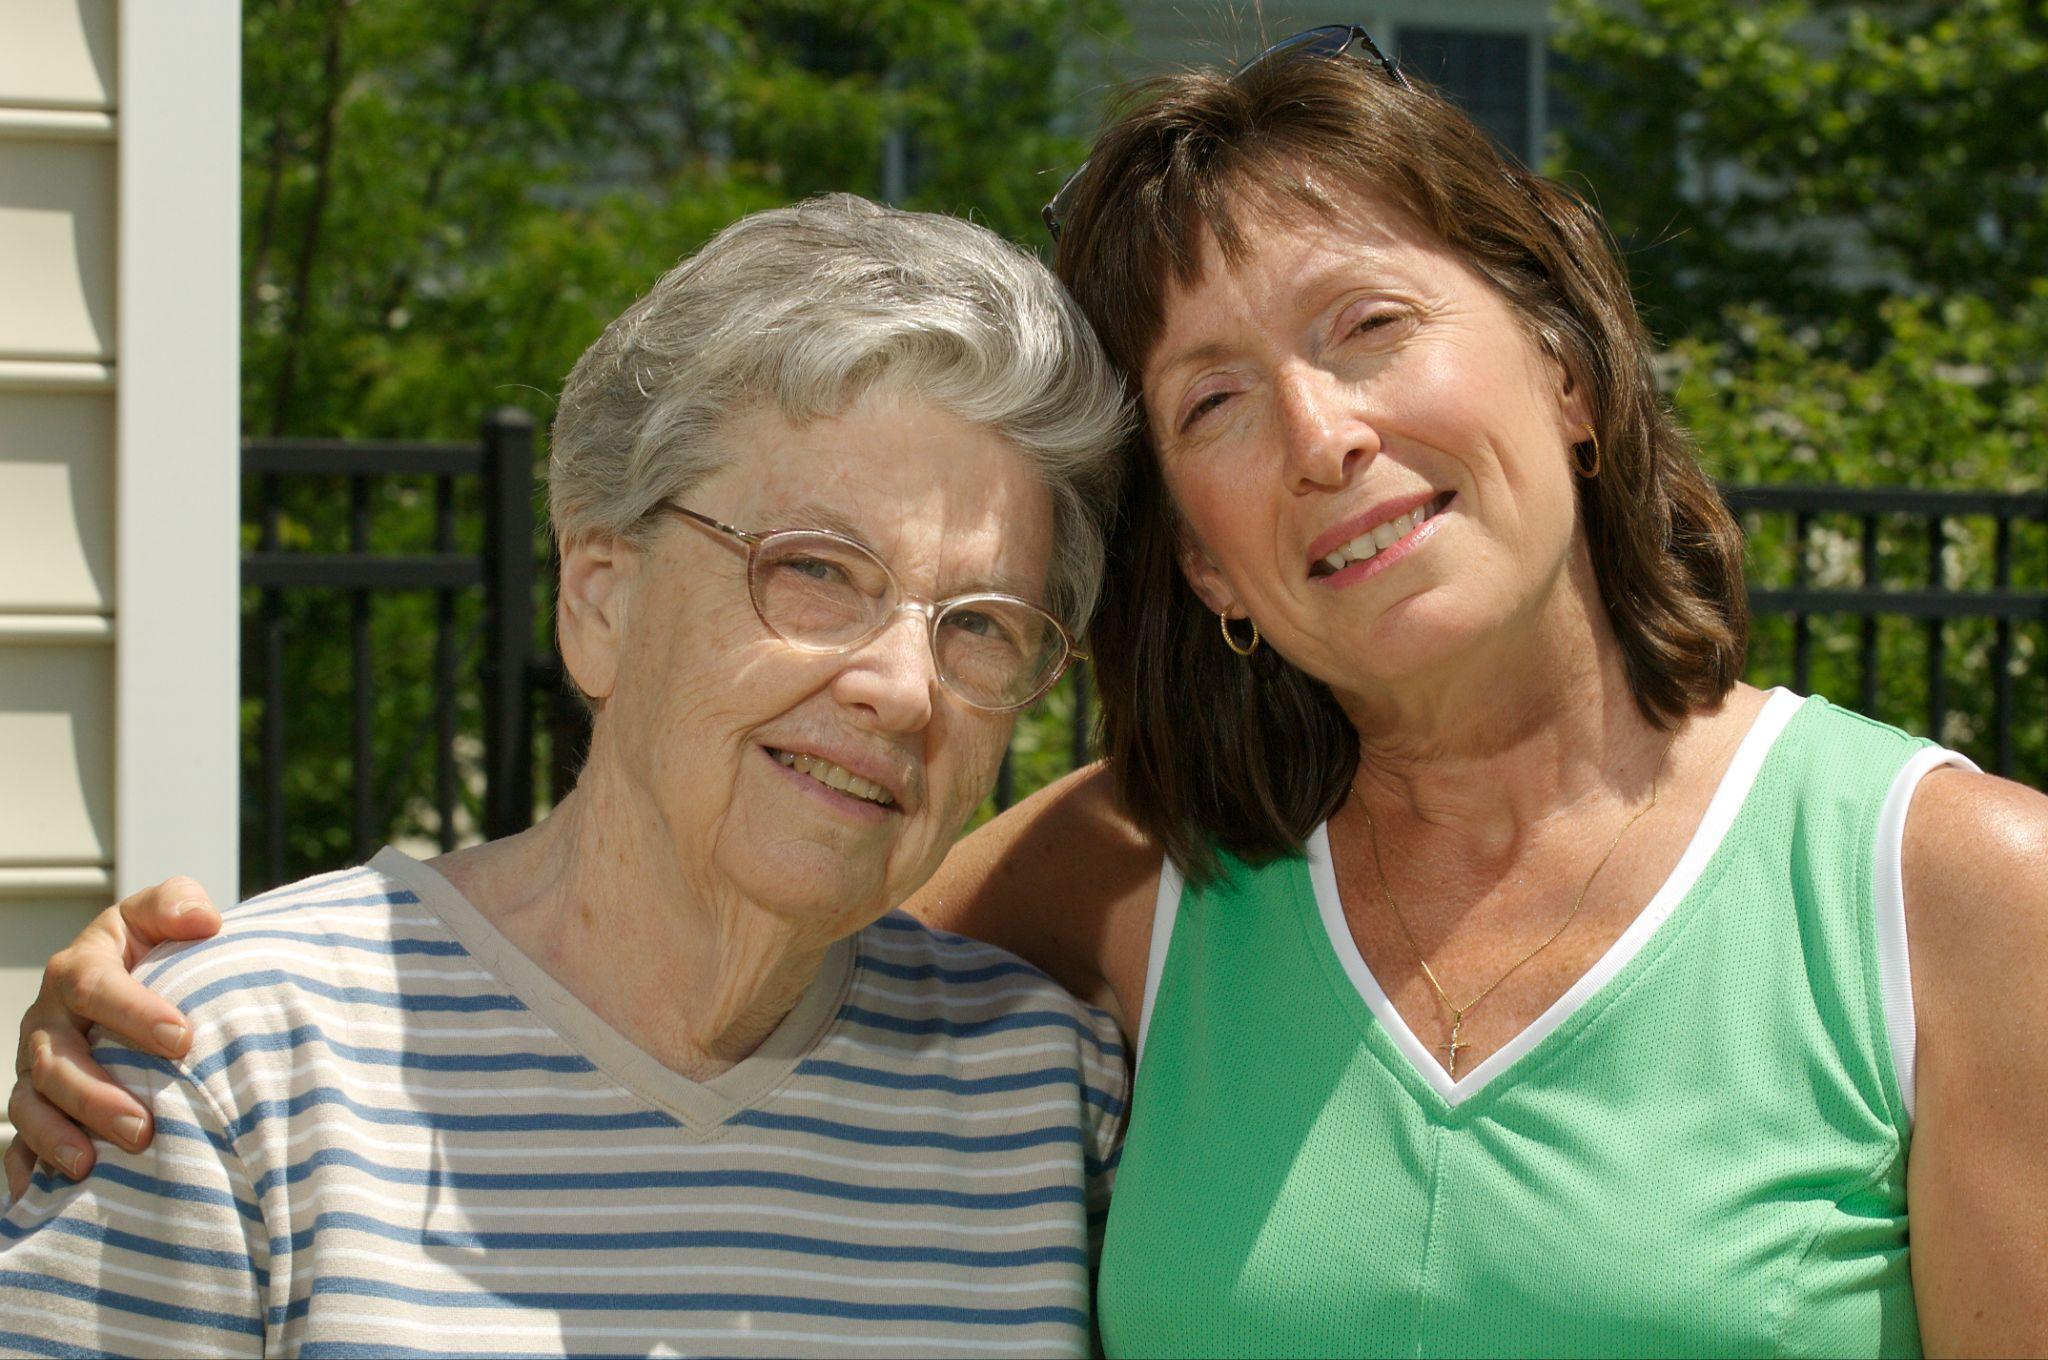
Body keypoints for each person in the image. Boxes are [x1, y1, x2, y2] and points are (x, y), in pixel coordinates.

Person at [15, 24, 2048, 1359]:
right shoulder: (1138, 892)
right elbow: (711, 930)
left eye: (1369, 326)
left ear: (1571, 370)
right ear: (1210, 569)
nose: (1324, 433)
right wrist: (152, 1020)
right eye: (1216, 404)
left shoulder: (1950, 894)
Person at [0, 193, 1131, 1358]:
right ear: (600, 596)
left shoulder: (1048, 1105)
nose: (903, 685)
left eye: (982, 625)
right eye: (815, 570)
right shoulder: (228, 1065)